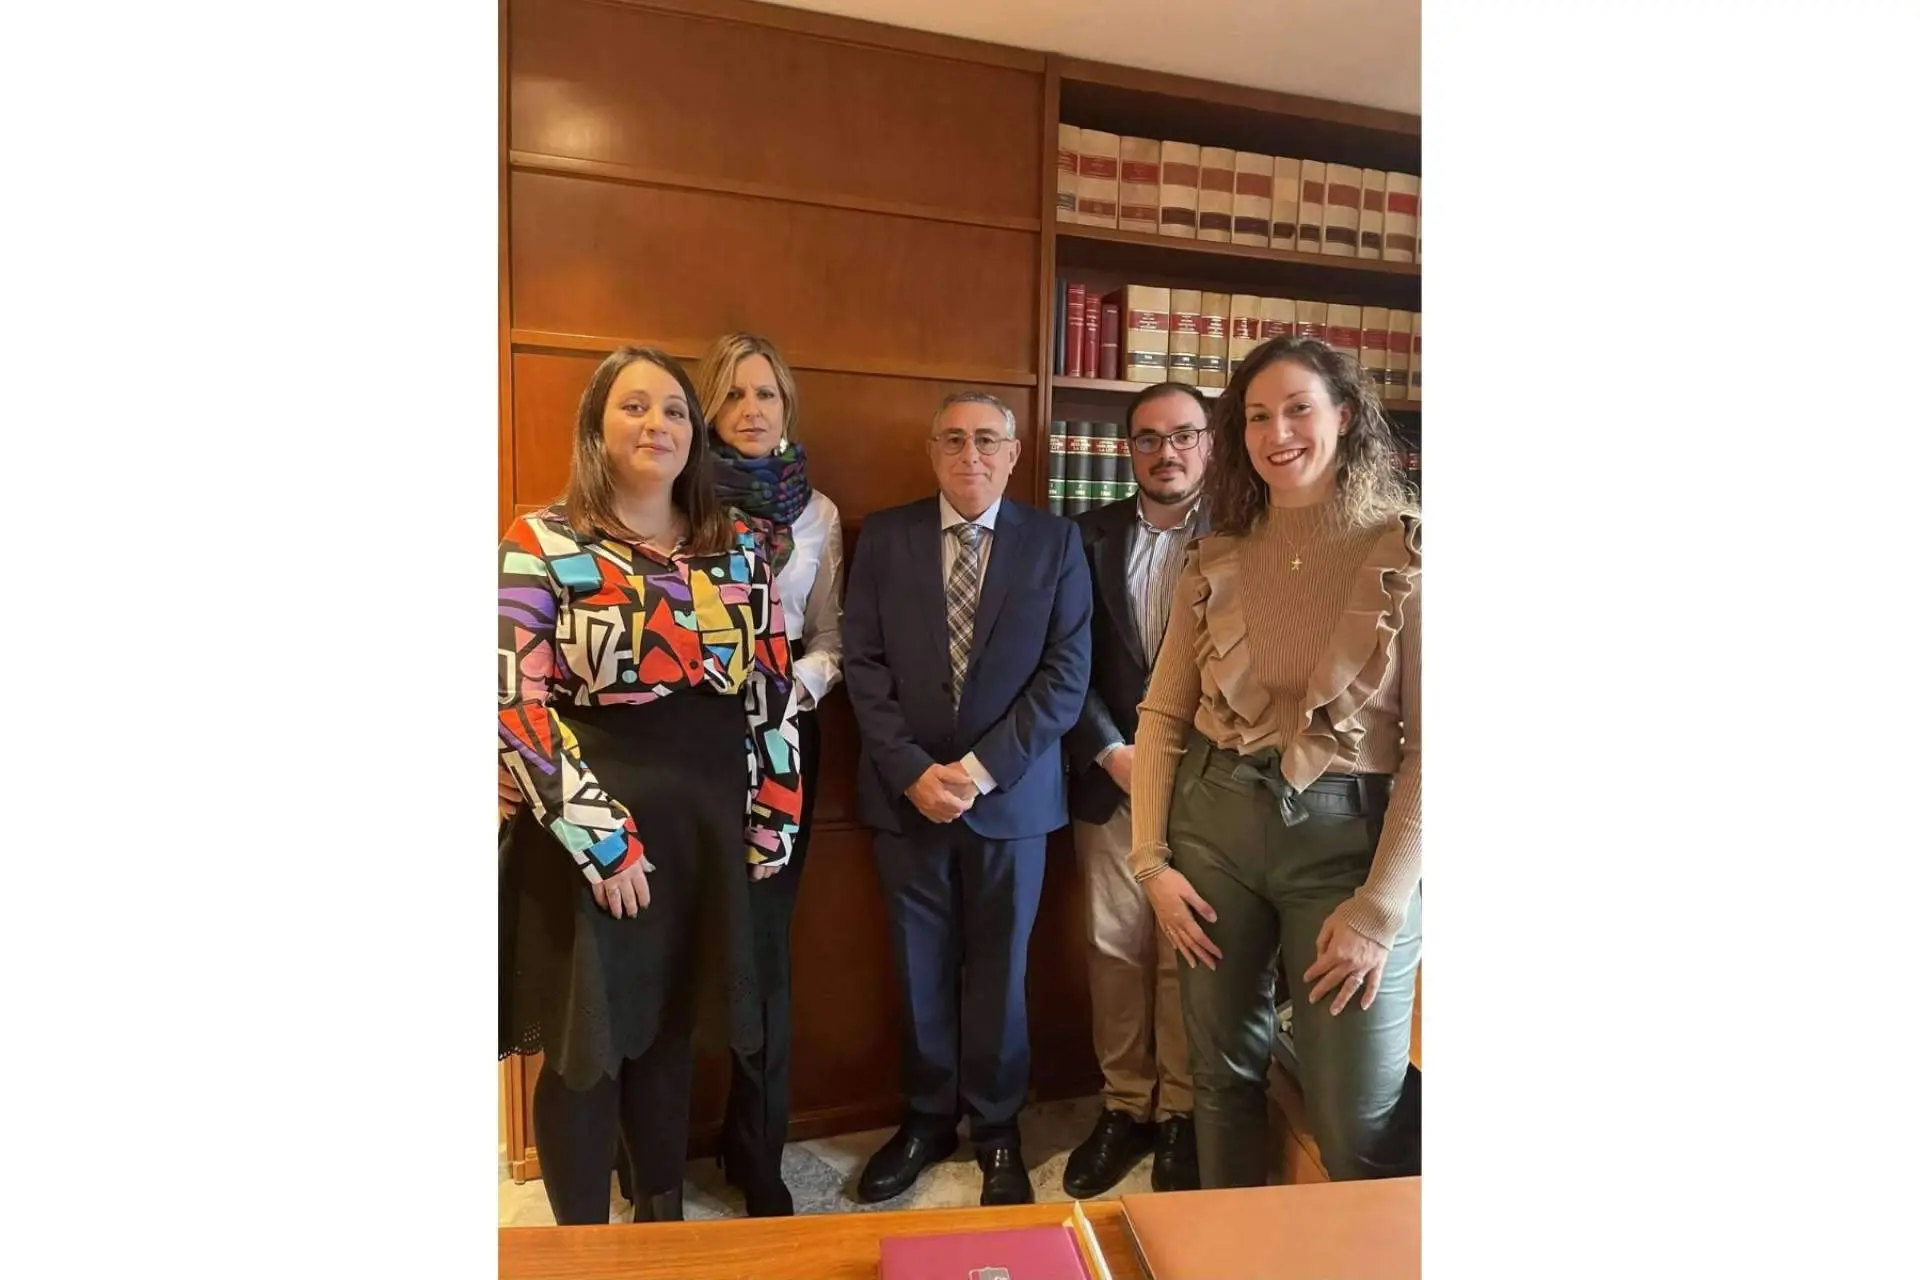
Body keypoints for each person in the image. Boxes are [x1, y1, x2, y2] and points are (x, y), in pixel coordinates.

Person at [496, 346, 803, 1225]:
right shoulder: (541, 542)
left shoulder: (738, 546)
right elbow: (514, 703)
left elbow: (770, 689)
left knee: (669, 1031)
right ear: (596, 426)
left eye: (673, 410)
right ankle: (582, 1249)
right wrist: (602, 841)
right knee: (588, 1049)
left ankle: (659, 1225)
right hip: (590, 827)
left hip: (706, 820)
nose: (657, 425)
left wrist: (775, 812)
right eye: (633, 407)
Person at [1131, 335, 1421, 1187]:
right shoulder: (1216, 554)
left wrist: (1378, 910)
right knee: (1219, 1086)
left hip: (1349, 851)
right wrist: (1150, 863)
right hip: (1214, 835)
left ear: (1346, 416)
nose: (1277, 433)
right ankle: (1226, 1246)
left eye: (1298, 409)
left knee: (1355, 1122)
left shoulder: (1409, 553)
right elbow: (1163, 715)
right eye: (1257, 417)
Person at [842, 392, 1092, 1206]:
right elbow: (863, 664)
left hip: (1012, 803)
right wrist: (913, 771)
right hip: (904, 799)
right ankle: (925, 1120)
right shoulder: (885, 537)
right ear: (931, 451)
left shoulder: (1056, 543)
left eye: (987, 440)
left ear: (1014, 454)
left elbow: (1066, 676)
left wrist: (980, 772)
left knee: (1000, 973)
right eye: (952, 440)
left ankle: (997, 1129)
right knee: (917, 971)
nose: (970, 454)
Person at [690, 333, 844, 1218]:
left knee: (764, 952)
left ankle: (758, 1146)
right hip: (689, 747)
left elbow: (832, 636)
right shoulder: (679, 500)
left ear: (787, 408)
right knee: (681, 943)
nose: (751, 410)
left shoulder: (817, 515)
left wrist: (793, 688)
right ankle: (662, 1144)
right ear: (710, 408)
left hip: (784, 746)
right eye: (735, 394)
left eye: (767, 395)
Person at [1060, 382, 1214, 1198]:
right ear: (1129, 450)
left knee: (1189, 952)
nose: (1167, 452)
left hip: (1211, 788)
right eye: (1149, 438)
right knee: (1115, 948)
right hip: (1112, 781)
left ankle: (1183, 1111)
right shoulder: (1082, 537)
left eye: (1184, 435)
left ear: (1210, 443)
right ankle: (1126, 1106)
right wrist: (1109, 751)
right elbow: (1063, 660)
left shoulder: (1247, 536)